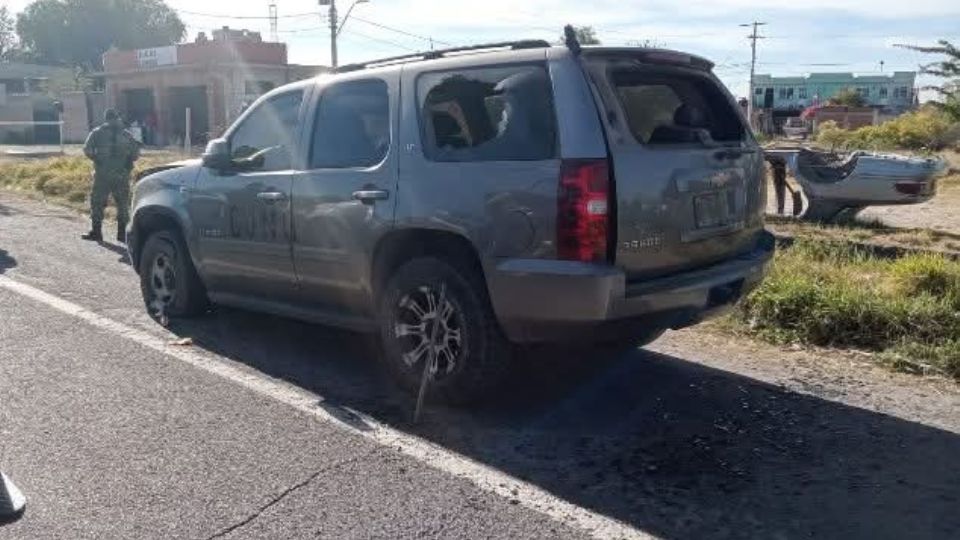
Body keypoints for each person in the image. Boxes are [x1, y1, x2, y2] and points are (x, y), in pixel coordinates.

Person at [82, 109, 141, 243]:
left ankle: (96, 232)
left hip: (102, 174)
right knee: (123, 204)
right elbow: (135, 155)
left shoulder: (97, 133)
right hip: (122, 175)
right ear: (117, 118)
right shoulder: (127, 134)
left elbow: (87, 150)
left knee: (97, 202)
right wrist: (126, 162)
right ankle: (122, 234)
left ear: (106, 118)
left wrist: (97, 160)